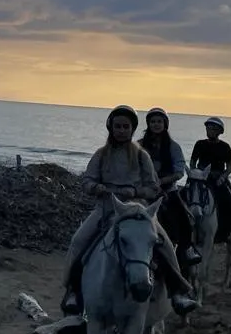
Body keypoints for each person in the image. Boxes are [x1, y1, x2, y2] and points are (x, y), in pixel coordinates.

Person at [61, 105, 198, 318]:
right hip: (106, 209)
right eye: (118, 126)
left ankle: (177, 290)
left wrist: (134, 190)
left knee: (165, 243)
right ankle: (73, 291)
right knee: (78, 241)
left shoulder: (141, 156)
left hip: (137, 211)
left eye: (126, 126)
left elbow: (153, 187)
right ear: (111, 128)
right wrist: (95, 187)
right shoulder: (101, 154)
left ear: (132, 129)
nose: (122, 130)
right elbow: (87, 180)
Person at [138, 107, 202, 271]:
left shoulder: (173, 146)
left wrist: (162, 181)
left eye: (159, 121)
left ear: (165, 124)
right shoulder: (139, 145)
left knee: (185, 220)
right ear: (148, 124)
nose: (156, 124)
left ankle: (186, 249)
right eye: (153, 122)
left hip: (168, 190)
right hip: (144, 191)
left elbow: (179, 170)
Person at [189, 117, 231, 239]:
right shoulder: (199, 144)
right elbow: (192, 162)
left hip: (218, 177)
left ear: (219, 131)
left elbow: (229, 167)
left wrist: (223, 178)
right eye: (208, 127)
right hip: (201, 176)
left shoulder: (225, 147)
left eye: (213, 128)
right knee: (186, 194)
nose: (210, 130)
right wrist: (195, 173)